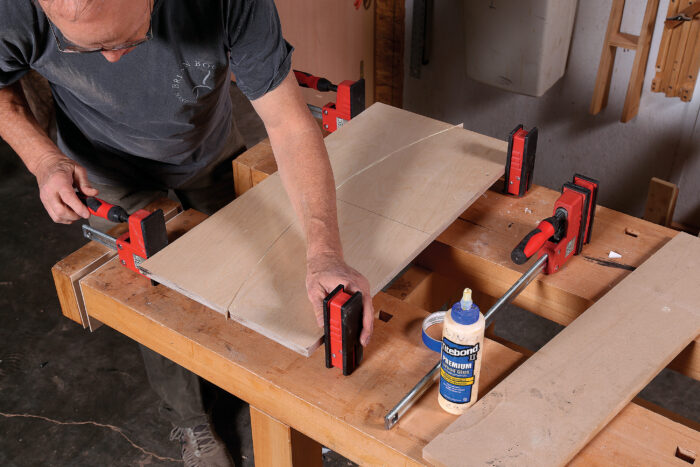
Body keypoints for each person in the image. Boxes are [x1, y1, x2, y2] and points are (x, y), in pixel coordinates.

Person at [0, 1, 375, 465]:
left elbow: (289, 124)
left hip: (206, 150)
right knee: (157, 293)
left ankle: (251, 374)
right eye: (87, 49)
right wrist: (42, 159)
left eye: (128, 41)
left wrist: (326, 253)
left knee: (259, 263)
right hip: (103, 171)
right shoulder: (12, 10)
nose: (115, 60)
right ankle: (190, 419)